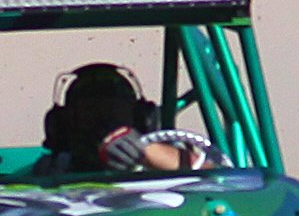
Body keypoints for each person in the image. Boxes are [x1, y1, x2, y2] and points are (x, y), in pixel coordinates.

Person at [41, 63, 219, 175]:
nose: (103, 125)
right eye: (91, 112)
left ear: (142, 118)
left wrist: (145, 151)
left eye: (113, 112)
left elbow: (218, 178)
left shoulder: (166, 160)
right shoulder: (48, 171)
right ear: (63, 123)